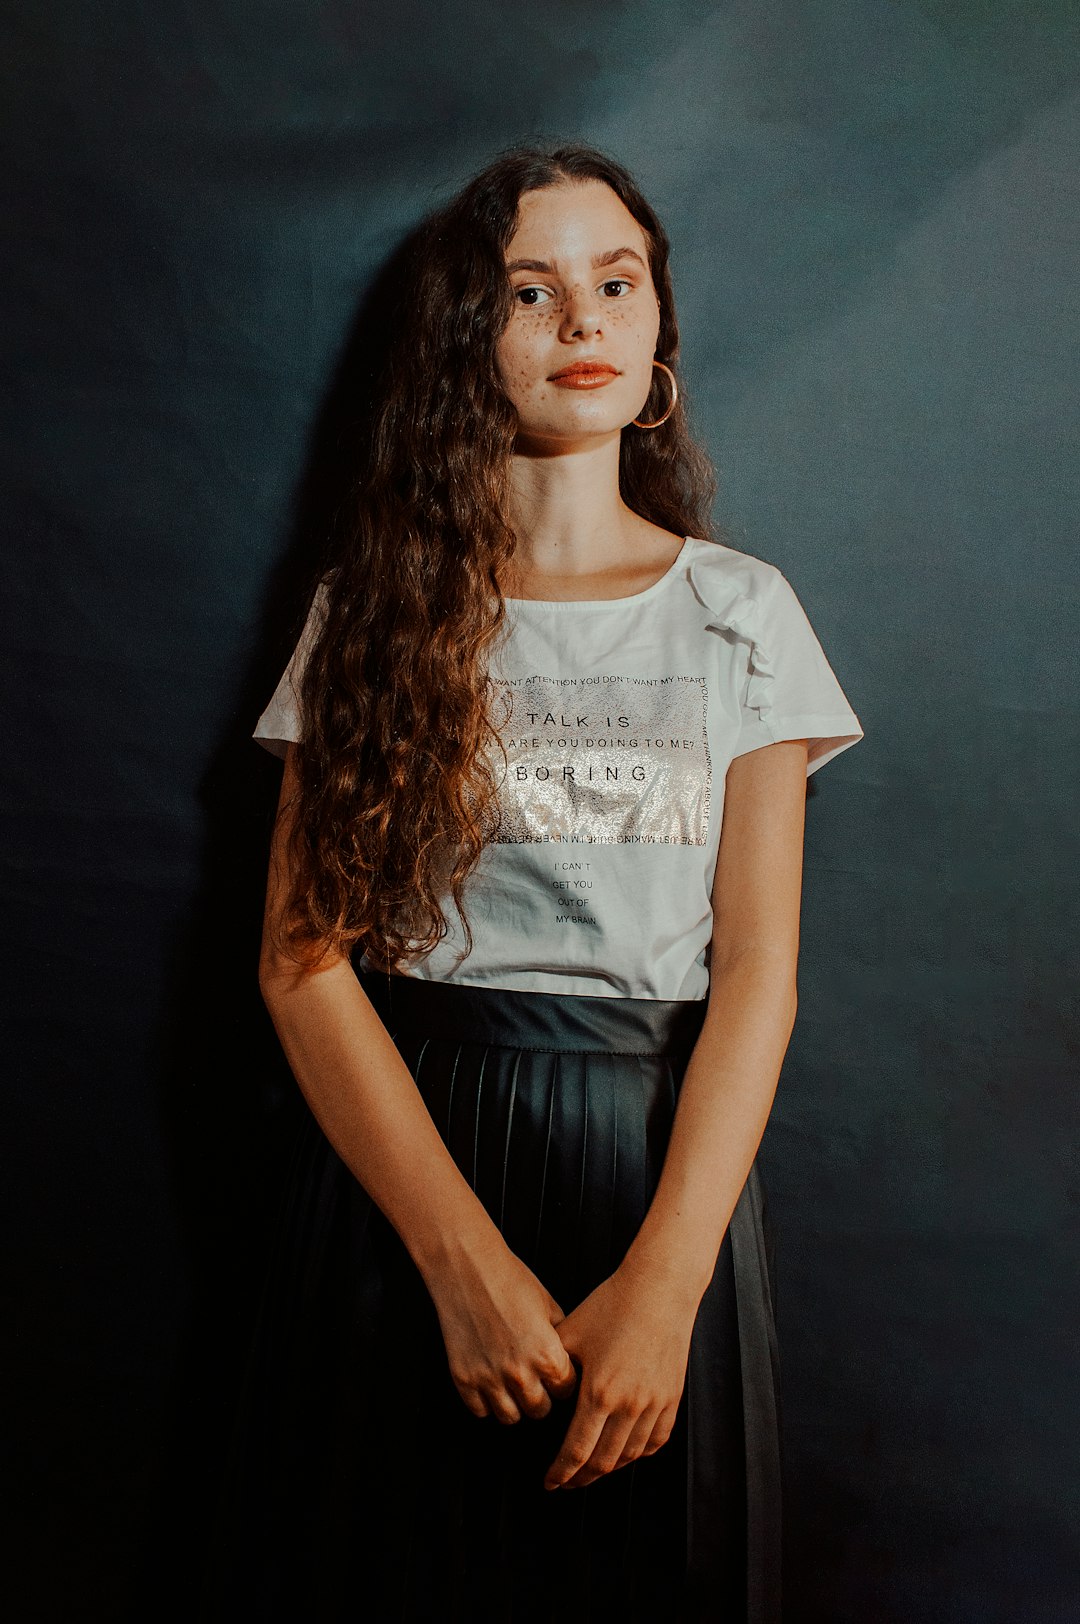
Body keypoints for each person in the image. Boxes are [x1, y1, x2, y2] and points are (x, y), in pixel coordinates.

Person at [200, 143, 864, 1623]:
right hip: (403, 1168)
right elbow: (301, 962)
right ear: (464, 344)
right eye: (532, 289)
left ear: (656, 339)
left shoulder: (742, 614)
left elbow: (759, 975)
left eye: (615, 282)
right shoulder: (371, 612)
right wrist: (461, 1267)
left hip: (652, 1173)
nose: (584, 318)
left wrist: (669, 1286)